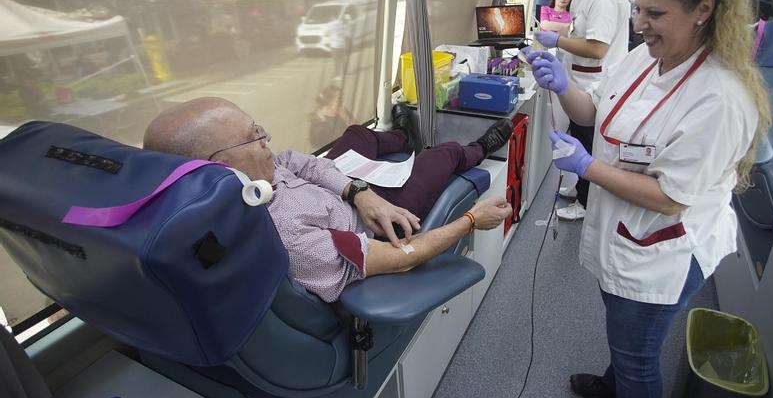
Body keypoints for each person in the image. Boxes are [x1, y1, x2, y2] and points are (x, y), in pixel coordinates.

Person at [524, 0, 772, 398]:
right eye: (638, 9)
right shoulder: (646, 57)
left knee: (638, 356)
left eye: (654, 13)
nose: (638, 24)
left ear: (703, 9)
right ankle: (614, 382)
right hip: (625, 235)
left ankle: (626, 387)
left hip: (663, 251)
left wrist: (588, 168)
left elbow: (669, 198)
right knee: (624, 334)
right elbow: (599, 114)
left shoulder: (719, 99)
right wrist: (564, 85)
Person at [143, 98, 514, 303]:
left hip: (353, 194)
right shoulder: (284, 234)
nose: (266, 140)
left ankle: (403, 137)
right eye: (254, 137)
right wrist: (470, 220)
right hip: (379, 219)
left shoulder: (257, 173)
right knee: (444, 154)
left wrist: (357, 190)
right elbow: (399, 259)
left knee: (359, 134)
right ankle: (479, 148)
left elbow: (295, 160)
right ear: (219, 166)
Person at [533, 0, 631, 221]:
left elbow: (598, 48)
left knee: (589, 145)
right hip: (583, 82)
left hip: (595, 86)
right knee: (580, 136)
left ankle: (587, 204)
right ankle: (580, 188)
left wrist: (557, 41)